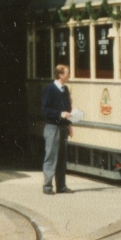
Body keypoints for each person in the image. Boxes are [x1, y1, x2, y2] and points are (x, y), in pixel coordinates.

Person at [42, 63, 74, 194]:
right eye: (67, 74)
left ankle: (61, 186)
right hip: (52, 126)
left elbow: (68, 108)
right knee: (51, 155)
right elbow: (45, 110)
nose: (69, 76)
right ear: (60, 75)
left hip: (63, 127)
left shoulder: (65, 90)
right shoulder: (50, 89)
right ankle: (47, 186)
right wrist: (59, 114)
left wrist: (70, 124)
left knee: (62, 156)